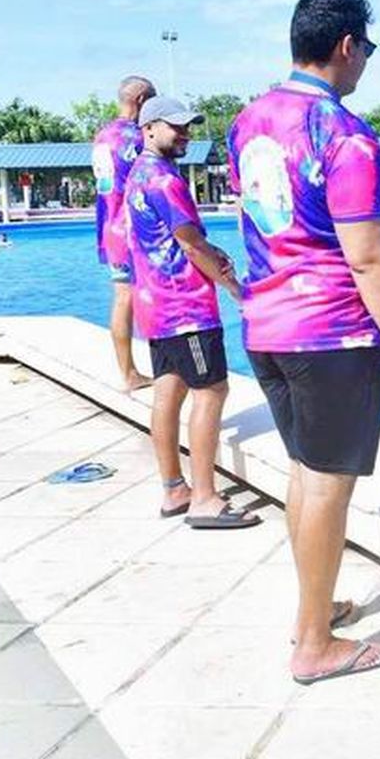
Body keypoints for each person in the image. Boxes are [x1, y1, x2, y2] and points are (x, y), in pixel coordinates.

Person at [228, 0, 380, 684]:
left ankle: (311, 612)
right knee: (326, 486)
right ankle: (313, 644)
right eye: (367, 48)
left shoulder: (249, 120)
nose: (367, 61)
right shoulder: (344, 133)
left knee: (305, 478)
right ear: (346, 47)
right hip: (330, 334)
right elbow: (368, 256)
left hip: (265, 327)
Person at [126, 96, 256, 531]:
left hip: (155, 304)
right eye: (175, 127)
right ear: (148, 129)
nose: (185, 134)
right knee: (211, 391)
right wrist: (235, 289)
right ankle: (204, 497)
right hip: (186, 308)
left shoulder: (137, 175)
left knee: (168, 392)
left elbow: (172, 237)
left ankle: (173, 488)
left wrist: (210, 249)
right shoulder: (164, 180)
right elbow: (189, 244)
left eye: (188, 127)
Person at [92, 74, 156, 391]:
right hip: (134, 229)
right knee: (139, 297)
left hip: (109, 227)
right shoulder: (138, 138)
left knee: (121, 298)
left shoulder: (103, 135)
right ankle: (141, 371)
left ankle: (127, 370)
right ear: (142, 100)